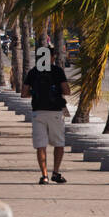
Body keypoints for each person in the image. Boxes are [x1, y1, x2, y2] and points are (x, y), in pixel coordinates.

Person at [22, 40, 71, 184]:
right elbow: (67, 91)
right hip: (55, 112)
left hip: (38, 112)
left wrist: (36, 93)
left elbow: (24, 93)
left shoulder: (33, 72)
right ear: (52, 57)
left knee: (40, 145)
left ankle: (44, 175)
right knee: (59, 143)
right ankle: (56, 172)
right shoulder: (57, 71)